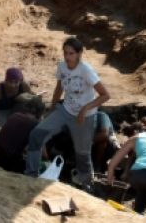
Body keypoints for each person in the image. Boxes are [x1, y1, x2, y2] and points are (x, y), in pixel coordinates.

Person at [25, 36, 110, 187]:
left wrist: (85, 109)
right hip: (65, 110)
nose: (67, 57)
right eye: (65, 53)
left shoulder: (86, 70)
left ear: (79, 54)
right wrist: (52, 108)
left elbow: (105, 95)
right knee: (36, 135)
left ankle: (87, 186)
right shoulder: (62, 67)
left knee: (82, 154)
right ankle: (31, 175)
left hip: (85, 117)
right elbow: (59, 87)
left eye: (71, 53)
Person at [0, 93, 45, 173]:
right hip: (8, 163)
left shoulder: (15, 115)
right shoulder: (36, 125)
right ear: (40, 113)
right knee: (42, 166)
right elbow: (42, 153)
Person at [0, 67, 33, 135]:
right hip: (1, 111)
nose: (13, 85)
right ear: (5, 80)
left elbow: (35, 101)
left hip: (17, 109)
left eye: (16, 82)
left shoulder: (24, 86)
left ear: (20, 81)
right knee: (5, 131)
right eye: (10, 82)